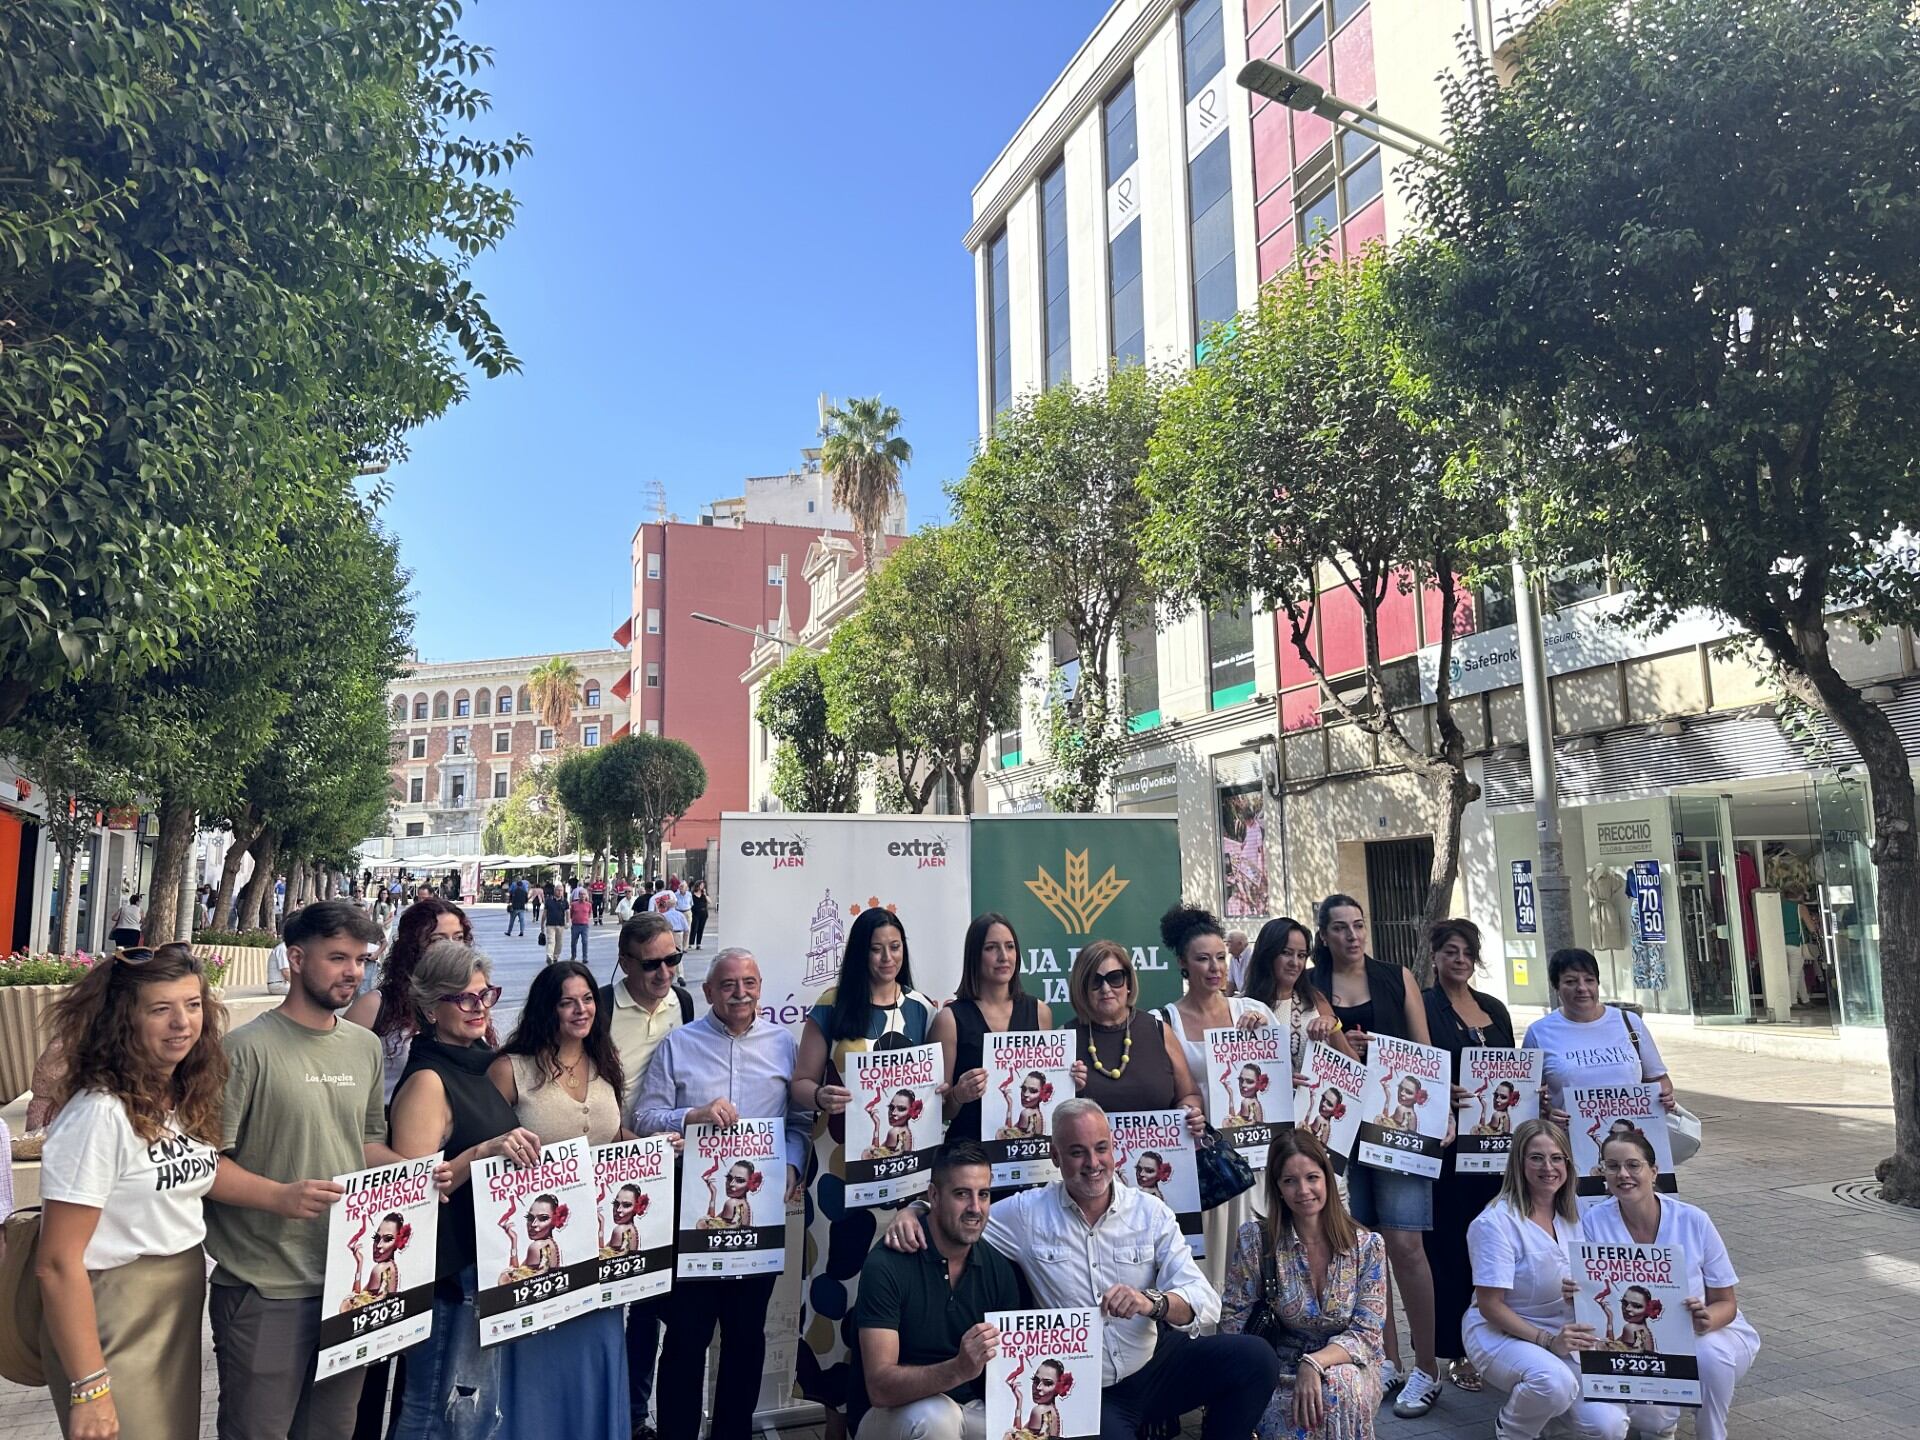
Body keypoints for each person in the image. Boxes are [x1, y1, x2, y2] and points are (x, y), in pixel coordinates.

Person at [884, 1100, 1277, 1440]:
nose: (1092, 1163)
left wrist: (1150, 1302)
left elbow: (1202, 1300)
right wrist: (916, 1209)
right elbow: (967, 1214)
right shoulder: (1025, 1212)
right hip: (1089, 1390)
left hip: (1156, 1363)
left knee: (1254, 1358)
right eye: (1076, 1152)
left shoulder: (1150, 1211)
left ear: (1114, 1149)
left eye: (1101, 1148)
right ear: (1054, 1156)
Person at [203, 901, 412, 1440]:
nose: (353, 972)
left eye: (362, 960)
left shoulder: (364, 1048)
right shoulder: (243, 1050)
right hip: (264, 1285)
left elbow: (364, 1144)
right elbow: (202, 1165)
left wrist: (419, 1174)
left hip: (350, 1284)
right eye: (338, 957)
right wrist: (278, 1197)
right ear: (295, 959)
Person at [35, 946, 227, 1439]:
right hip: (114, 1312)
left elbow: (192, 1173)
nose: (182, 1023)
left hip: (176, 1307)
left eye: (193, 1004)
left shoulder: (177, 1098)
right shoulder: (98, 1114)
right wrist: (90, 1387)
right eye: (161, 1009)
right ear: (125, 1021)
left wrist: (285, 1197)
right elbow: (56, 1262)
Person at [631, 949, 814, 1440]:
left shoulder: (783, 1045)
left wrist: (794, 1165)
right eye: (729, 984)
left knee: (745, 1339)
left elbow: (797, 1123)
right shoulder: (679, 1045)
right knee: (687, 1340)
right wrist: (690, 1116)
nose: (740, 993)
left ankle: (732, 1433)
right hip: (694, 1221)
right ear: (709, 992)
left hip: (758, 1224)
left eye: (749, 983)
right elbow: (644, 1119)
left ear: (761, 987)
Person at [387, 942, 544, 1440]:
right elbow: (412, 1195)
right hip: (447, 1273)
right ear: (431, 1008)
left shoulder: (480, 1061)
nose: (480, 1008)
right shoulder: (428, 1081)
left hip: (486, 1261)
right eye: (466, 999)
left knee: (472, 1408)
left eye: (486, 995)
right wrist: (482, 1153)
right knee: (432, 1405)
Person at [792, 909, 940, 1422]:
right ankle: (836, 1419)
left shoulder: (923, 1009)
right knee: (838, 1290)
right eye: (877, 948)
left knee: (894, 1300)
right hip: (839, 1184)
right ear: (859, 952)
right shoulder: (832, 1007)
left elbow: (937, 1094)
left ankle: (890, 1415)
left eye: (895, 947)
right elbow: (800, 1083)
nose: (887, 958)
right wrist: (822, 1095)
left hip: (904, 1186)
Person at [1308, 893, 1445, 1416]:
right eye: (1339, 928)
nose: (1351, 935)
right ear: (1324, 935)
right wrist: (1340, 1045)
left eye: (1358, 925)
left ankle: (1426, 1367)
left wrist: (1442, 1116)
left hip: (1397, 1130)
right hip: (1339, 1131)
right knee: (1364, 1249)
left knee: (1407, 1246)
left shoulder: (1397, 977)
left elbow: (1426, 1053)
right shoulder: (1312, 987)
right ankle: (1384, 1361)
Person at [487, 962, 632, 1436]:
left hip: (597, 1251)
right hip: (540, 1258)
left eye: (587, 998)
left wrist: (649, 1148)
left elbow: (613, 1135)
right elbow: (487, 1153)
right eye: (568, 1001)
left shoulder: (606, 1061)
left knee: (595, 1355)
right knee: (535, 1363)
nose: (580, 1009)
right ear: (547, 1009)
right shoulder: (512, 1069)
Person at [1581, 1129, 1759, 1440]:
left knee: (1709, 1356)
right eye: (1612, 1166)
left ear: (1653, 1171)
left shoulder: (1693, 1220)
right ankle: (1660, 1425)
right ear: (1603, 1172)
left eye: (1633, 1165)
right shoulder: (1593, 1221)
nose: (1623, 1174)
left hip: (1704, 1335)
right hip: (1638, 1343)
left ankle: (1712, 1434)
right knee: (1652, 1415)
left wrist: (1707, 1318)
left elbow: (1726, 1302)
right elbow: (1593, 1294)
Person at [1460, 1120, 1621, 1440]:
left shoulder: (1575, 1214)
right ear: (1518, 1163)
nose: (1549, 1167)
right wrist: (1546, 1342)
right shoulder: (1496, 1223)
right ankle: (1514, 1430)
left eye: (1557, 1158)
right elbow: (1492, 1307)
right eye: (1536, 1158)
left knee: (1610, 1427)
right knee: (1553, 1383)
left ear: (1568, 1164)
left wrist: (1584, 1293)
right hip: (1500, 1332)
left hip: (1562, 1331)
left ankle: (1548, 1418)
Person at [1219, 1129, 1386, 1439]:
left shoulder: (1368, 1246)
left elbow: (1368, 1334)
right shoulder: (1255, 1240)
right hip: (1277, 1363)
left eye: (1312, 1177)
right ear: (1278, 1189)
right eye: (1289, 1181)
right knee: (1290, 1407)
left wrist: (1314, 1363)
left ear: (1327, 1180)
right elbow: (1234, 1320)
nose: (1303, 1190)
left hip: (1347, 1361)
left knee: (1342, 1386)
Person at [850, 1141, 1020, 1440]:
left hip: (969, 1408)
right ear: (934, 1196)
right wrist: (958, 1369)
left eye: (984, 1194)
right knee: (938, 1418)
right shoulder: (887, 1264)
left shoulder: (996, 1267)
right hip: (893, 1414)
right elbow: (879, 1387)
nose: (975, 1208)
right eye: (961, 1194)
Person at [597, 913, 692, 1432]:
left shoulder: (687, 1004)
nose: (664, 973)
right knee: (611, 1295)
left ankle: (636, 1414)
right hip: (612, 1167)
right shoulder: (603, 1007)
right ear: (625, 963)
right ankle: (610, 1411)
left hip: (670, 1168)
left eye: (673, 959)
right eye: (652, 964)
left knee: (655, 1300)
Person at [1422, 917, 1520, 1395]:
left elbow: (1515, 1072)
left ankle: (1501, 1336)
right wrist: (1443, 1093)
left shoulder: (1494, 1009)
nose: (1459, 960)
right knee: (1452, 1249)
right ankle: (1456, 1351)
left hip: (1501, 1155)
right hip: (1451, 1154)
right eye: (1450, 951)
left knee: (1500, 1248)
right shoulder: (1423, 1007)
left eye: (1466, 952)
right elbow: (1414, 1070)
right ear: (1436, 955)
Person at [1154, 903, 1273, 1294]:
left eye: (1221, 957)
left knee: (1259, 1263)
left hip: (1254, 1159)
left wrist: (1257, 1042)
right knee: (1209, 1267)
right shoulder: (1163, 1021)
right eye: (1202, 959)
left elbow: (1281, 1080)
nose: (1214, 968)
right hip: (1202, 1164)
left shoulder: (1253, 1012)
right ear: (1183, 964)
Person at [1064, 941, 1206, 1139]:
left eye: (1114, 978)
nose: (1106, 988)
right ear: (1082, 988)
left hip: (1162, 1161)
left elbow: (1189, 1094)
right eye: (1094, 981)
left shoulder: (1159, 1030)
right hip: (1094, 1166)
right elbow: (1050, 1114)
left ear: (1128, 983)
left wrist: (1189, 1113)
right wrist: (1068, 1093)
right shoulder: (1065, 1039)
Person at [932, 912, 1053, 1145]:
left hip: (1028, 1156)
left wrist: (1070, 1079)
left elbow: (1051, 1089)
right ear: (974, 956)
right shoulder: (949, 1020)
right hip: (969, 1157)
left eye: (1010, 947)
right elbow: (937, 1109)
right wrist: (958, 1095)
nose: (1003, 956)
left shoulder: (1040, 1013)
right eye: (991, 948)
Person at [1523, 948, 1677, 1125]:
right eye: (1571, 981)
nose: (1582, 988)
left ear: (1597, 983)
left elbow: (1659, 1079)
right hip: (1571, 1143)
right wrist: (1547, 1113)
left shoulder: (1629, 1022)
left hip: (1633, 1142)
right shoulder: (1538, 1033)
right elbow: (1528, 1097)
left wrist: (1663, 1097)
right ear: (1556, 986)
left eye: (1589, 980)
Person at [346, 897, 473, 1105]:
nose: (452, 948)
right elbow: (336, 1079)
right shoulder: (375, 1005)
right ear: (413, 947)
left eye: (458, 937)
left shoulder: (473, 1001)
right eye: (437, 939)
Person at [1239, 917, 1354, 1072]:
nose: (1295, 963)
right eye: (1286, 953)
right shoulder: (1241, 1006)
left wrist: (1333, 1025)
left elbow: (1355, 1067)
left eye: (1301, 955)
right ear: (1267, 954)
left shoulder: (1315, 999)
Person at [542, 879, 570, 965]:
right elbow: (545, 913)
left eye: (561, 890)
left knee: (559, 942)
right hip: (550, 924)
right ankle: (549, 956)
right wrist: (542, 924)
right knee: (551, 941)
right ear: (555, 891)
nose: (559, 892)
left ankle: (555, 957)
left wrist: (567, 922)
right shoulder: (549, 901)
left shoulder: (565, 901)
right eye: (558, 890)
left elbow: (567, 912)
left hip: (561, 925)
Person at [569, 881, 593, 962]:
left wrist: (586, 919)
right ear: (578, 895)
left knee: (585, 942)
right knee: (573, 942)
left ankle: (585, 957)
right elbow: (571, 914)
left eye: (584, 894)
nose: (582, 896)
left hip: (584, 926)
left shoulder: (589, 905)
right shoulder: (574, 904)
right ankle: (573, 956)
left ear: (586, 896)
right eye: (581, 894)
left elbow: (589, 913)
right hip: (575, 925)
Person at [688, 880, 709, 951]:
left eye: (703, 885)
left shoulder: (704, 894)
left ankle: (698, 944)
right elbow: (690, 903)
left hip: (704, 913)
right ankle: (691, 943)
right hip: (695, 913)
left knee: (701, 928)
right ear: (698, 885)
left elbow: (709, 901)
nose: (702, 886)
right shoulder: (692, 894)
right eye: (701, 885)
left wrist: (705, 894)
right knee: (694, 928)